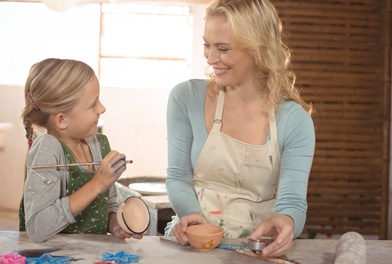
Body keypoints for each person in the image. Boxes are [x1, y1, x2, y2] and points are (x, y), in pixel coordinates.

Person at [165, 0, 315, 258]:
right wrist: (193, 217)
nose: (211, 58)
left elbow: (292, 203)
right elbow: (178, 177)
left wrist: (287, 221)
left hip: (258, 249)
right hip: (193, 244)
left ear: (259, 48)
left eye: (223, 48)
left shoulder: (294, 120)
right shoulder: (186, 98)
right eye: (207, 45)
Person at [19, 58, 142, 243]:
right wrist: (97, 184)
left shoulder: (99, 144)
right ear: (61, 120)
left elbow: (107, 206)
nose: (102, 108)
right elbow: (37, 228)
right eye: (93, 104)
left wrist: (116, 224)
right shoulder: (48, 148)